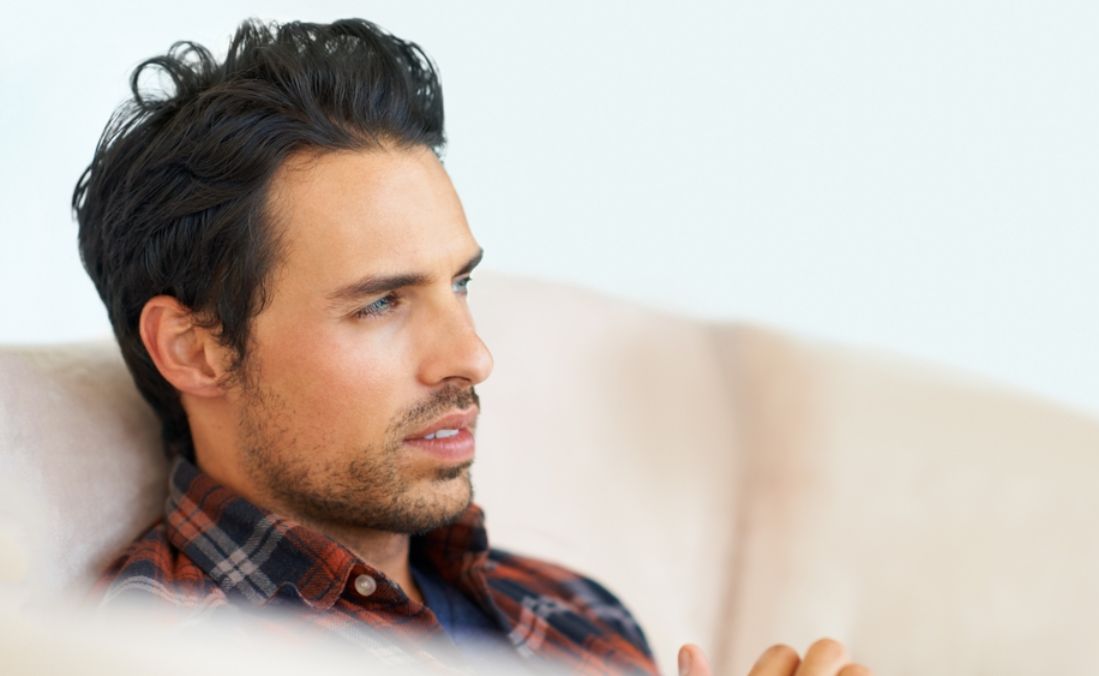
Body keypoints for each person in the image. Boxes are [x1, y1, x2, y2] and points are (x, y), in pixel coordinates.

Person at [74, 17, 872, 676]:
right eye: (380, 303)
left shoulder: (575, 612)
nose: (471, 357)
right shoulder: (159, 650)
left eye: (458, 284)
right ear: (195, 350)